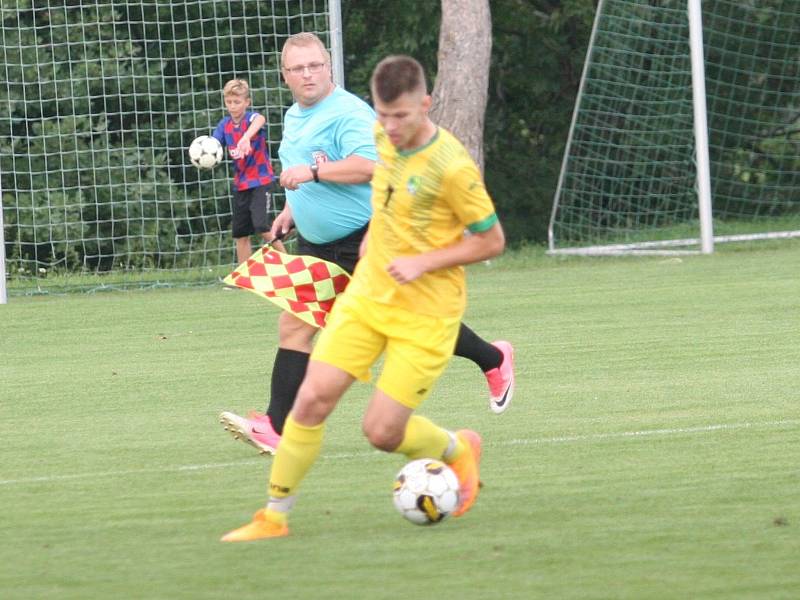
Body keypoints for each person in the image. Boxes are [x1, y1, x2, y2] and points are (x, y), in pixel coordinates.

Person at [221, 54, 506, 541]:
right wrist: (377, 236)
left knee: (381, 433)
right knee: (310, 401)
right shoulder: (381, 136)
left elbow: (491, 240)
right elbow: (385, 192)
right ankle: (274, 516)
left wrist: (422, 262)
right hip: (368, 300)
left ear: (426, 104)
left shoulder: (452, 166)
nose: (391, 127)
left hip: (426, 313)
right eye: (383, 114)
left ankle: (457, 449)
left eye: (401, 116)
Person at [211, 79, 284, 263]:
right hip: (241, 184)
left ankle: (291, 266)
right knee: (241, 233)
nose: (233, 106)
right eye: (229, 102)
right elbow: (213, 145)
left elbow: (261, 119)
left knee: (262, 226)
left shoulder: (251, 120)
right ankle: (245, 277)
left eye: (237, 102)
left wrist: (245, 137)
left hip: (261, 181)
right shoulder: (224, 125)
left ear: (247, 102)